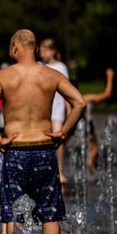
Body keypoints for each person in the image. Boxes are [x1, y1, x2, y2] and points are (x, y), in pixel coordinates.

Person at [0, 29, 86, 234]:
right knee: (50, 212)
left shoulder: (4, 76)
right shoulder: (51, 75)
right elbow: (80, 102)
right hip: (45, 148)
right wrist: (63, 132)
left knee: (14, 212)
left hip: (16, 150)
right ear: (35, 48)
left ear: (15, 47)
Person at [38, 38, 70, 184]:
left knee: (58, 139)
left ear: (53, 51)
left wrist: (69, 110)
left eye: (45, 51)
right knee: (43, 139)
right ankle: (44, 171)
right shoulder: (39, 66)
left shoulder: (61, 67)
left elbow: (67, 91)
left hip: (57, 109)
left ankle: (60, 171)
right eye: (41, 51)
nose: (42, 54)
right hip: (43, 109)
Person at [83, 68, 114, 173]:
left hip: (70, 123)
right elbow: (107, 95)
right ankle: (90, 160)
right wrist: (110, 77)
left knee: (61, 146)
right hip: (86, 122)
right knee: (95, 146)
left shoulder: (62, 101)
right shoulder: (84, 98)